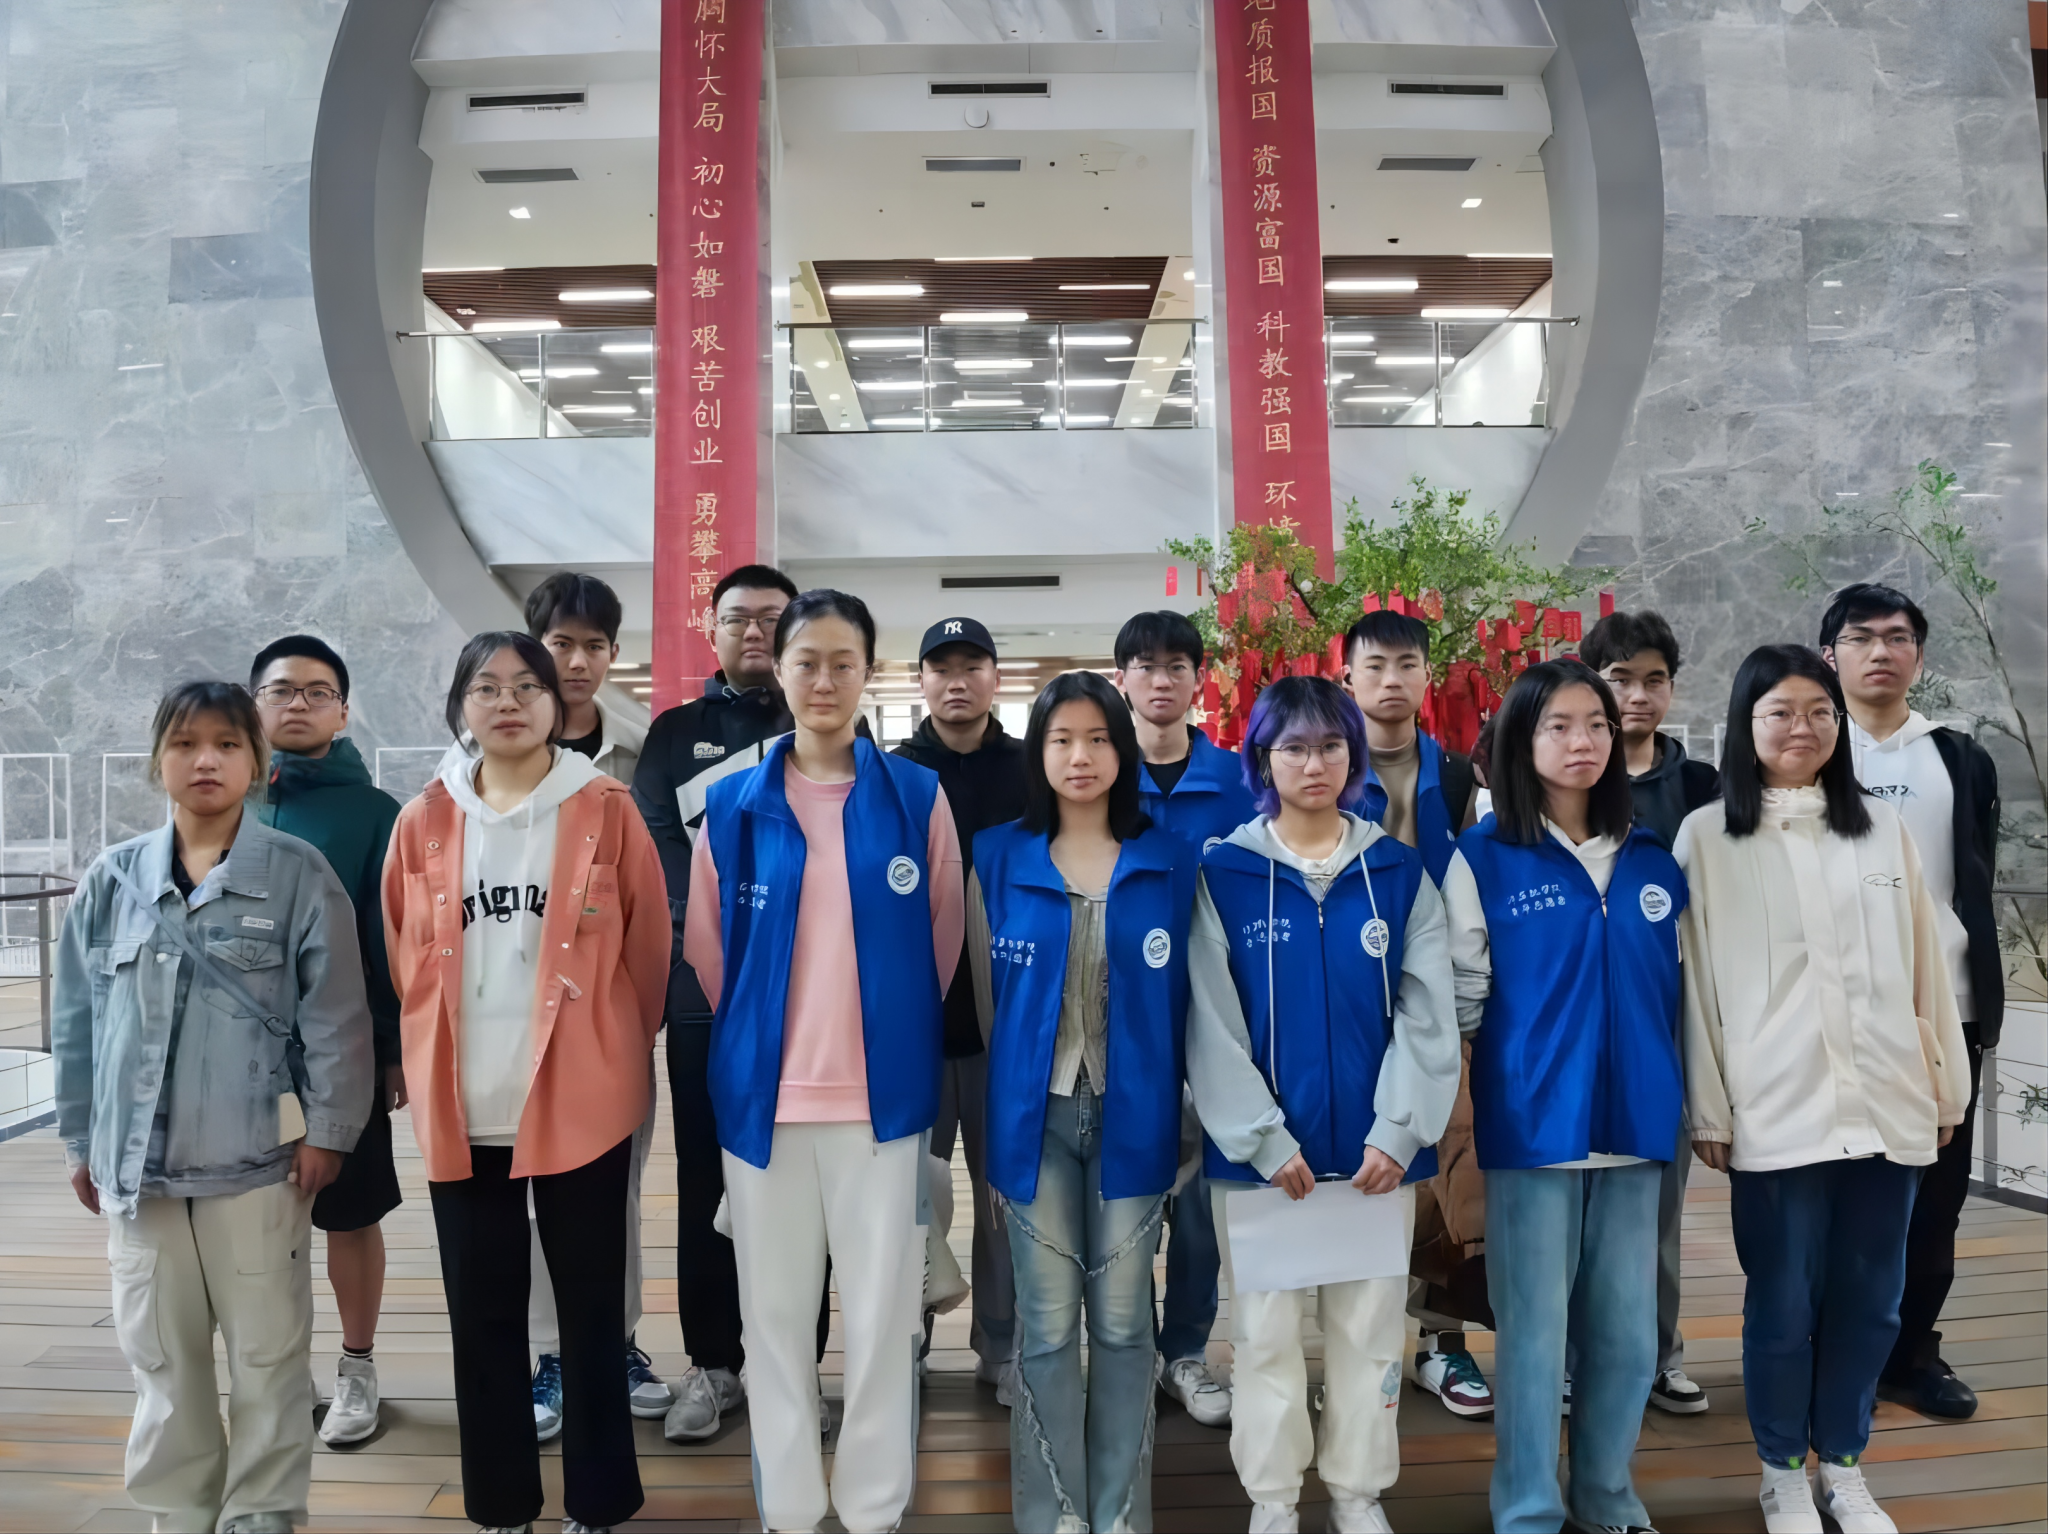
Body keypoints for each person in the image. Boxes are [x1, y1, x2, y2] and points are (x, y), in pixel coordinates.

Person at [53, 681, 373, 1534]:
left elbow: (337, 1017)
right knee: (162, 1359)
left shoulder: (299, 875)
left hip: (259, 1166)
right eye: (186, 743)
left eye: (228, 744)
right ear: (157, 760)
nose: (206, 761)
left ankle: (262, 1511)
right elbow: (76, 1025)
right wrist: (82, 1141)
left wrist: (329, 1133)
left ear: (256, 763)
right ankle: (181, 1511)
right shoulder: (112, 879)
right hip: (141, 1171)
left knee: (269, 1354)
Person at [683, 590, 964, 1534]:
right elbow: (710, 951)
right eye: (807, 662)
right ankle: (793, 1511)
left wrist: (881, 1026)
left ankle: (875, 1509)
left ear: (868, 674)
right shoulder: (733, 803)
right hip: (765, 1102)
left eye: (845, 663)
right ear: (780, 669)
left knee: (884, 1319)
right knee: (773, 1320)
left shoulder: (917, 798)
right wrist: (770, 1037)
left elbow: (941, 942)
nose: (825, 681)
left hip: (883, 1101)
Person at [383, 632, 668, 1534]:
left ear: (557, 702)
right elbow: (403, 954)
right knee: (482, 1316)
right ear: (460, 706)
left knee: (590, 1312)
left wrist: (613, 1050)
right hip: (463, 1104)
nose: (506, 702)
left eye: (525, 686)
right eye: (485, 687)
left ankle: (599, 1502)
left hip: (583, 1098)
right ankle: (502, 1504)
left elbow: (649, 952)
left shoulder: (606, 807)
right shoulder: (423, 818)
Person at [1680, 644, 1969, 1534]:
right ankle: (1779, 1471)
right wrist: (1709, 1108)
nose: (1801, 728)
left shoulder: (1881, 829)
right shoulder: (1707, 838)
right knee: (1782, 1303)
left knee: (1871, 1302)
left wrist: (1945, 1088)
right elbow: (1693, 989)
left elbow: (1928, 966)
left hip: (1887, 1102)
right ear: (1746, 725)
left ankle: (1843, 1466)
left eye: (1818, 712)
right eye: (1779, 712)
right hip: (1776, 1109)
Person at [1187, 676, 1459, 1534]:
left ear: (1354, 756)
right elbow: (1209, 1022)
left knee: (1370, 1334)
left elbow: (1428, 1013)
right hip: (1262, 1166)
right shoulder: (1222, 874)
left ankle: (1356, 1494)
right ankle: (1273, 1500)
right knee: (1265, 1336)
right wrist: (1263, 1139)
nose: (1315, 764)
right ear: (1262, 758)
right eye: (1295, 748)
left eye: (1331, 746)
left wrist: (1400, 1130)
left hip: (1377, 1161)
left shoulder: (1398, 871)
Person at [1441, 659, 1686, 1534]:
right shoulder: (1483, 857)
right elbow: (1463, 997)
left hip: (1638, 1122)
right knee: (1535, 1332)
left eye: (1597, 724)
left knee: (1627, 1331)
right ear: (1522, 740)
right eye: (1558, 726)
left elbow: (1680, 991)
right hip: (1533, 1126)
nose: (1582, 741)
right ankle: (1528, 1507)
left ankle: (1607, 1493)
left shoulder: (1653, 857)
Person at [969, 668, 1198, 1530]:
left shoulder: (1170, 859)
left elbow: (1193, 999)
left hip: (1137, 1119)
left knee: (1127, 1324)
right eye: (1061, 739)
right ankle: (1055, 1515)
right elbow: (987, 1003)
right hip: (1036, 1122)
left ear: (1124, 751)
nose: (1080, 756)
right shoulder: (997, 855)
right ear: (1038, 752)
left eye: (1099, 739)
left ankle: (1120, 1513)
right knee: (1049, 1326)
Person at [1820, 583, 2003, 1421]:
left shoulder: (1958, 757)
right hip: (1838, 1008)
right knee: (1837, 1187)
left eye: (1898, 638)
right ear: (1830, 655)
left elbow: (1973, 881)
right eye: (1862, 637)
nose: (1881, 651)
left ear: (1919, 658)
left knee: (1937, 1195)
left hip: (1945, 1009)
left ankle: (1913, 1354)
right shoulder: (1811, 747)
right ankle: (1828, 1346)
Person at [630, 563, 800, 1442]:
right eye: (738, 618)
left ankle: (792, 1368)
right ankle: (714, 1363)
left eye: (773, 617)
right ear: (713, 629)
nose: (756, 631)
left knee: (797, 1181)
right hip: (704, 992)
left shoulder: (823, 727)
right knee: (707, 1178)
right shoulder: (673, 733)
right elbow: (659, 853)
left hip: (809, 994)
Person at [247, 636, 405, 1446]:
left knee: (349, 1211)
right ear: (255, 706)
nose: (299, 703)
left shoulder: (376, 813)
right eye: (281, 690)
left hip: (341, 1053)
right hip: (240, 1063)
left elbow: (388, 940)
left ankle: (357, 1366)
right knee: (255, 1220)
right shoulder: (226, 801)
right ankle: (281, 1370)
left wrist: (392, 1048)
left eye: (318, 692)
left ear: (343, 712)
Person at [521, 572, 670, 1430]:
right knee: (533, 1190)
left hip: (609, 1018)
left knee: (617, 1187)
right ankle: (550, 1355)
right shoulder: (485, 755)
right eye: (560, 643)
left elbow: (657, 900)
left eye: (594, 646)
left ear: (615, 654)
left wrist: (638, 1015)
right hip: (515, 1018)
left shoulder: (641, 754)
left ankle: (614, 1342)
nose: (576, 662)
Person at [1341, 608, 1493, 1418]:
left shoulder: (1461, 777)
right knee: (1353, 1163)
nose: (1391, 680)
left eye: (1406, 665)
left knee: (1443, 1163)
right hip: (1343, 994)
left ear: (1427, 677)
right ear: (1347, 678)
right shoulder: (1326, 764)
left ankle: (1441, 1341)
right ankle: (1352, 1350)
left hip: (1434, 996)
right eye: (1374, 666)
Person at [1112, 610, 1253, 1431]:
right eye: (1145, 665)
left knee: (1203, 1208)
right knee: (1127, 1198)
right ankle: (1130, 1350)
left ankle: (1187, 1351)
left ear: (1200, 679)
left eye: (1176, 666)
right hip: (1120, 1022)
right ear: (1121, 678)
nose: (1161, 680)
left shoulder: (1238, 780)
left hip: (1217, 1023)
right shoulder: (1099, 773)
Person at [1579, 608, 1721, 1417]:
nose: (1637, 695)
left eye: (1653, 680)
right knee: (1572, 1193)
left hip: (1667, 1016)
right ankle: (1576, 1358)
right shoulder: (1563, 776)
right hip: (1575, 1015)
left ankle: (1660, 1354)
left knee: (1660, 1197)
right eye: (1619, 678)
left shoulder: (1701, 787)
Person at [892, 615, 1027, 1399]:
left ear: (995, 679)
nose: (957, 681)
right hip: (914, 1024)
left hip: (1007, 1024)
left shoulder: (1029, 770)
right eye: (941, 667)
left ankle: (1001, 1344)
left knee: (1004, 1192)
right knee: (910, 1193)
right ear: (920, 682)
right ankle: (906, 1336)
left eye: (972, 665)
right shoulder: (894, 774)